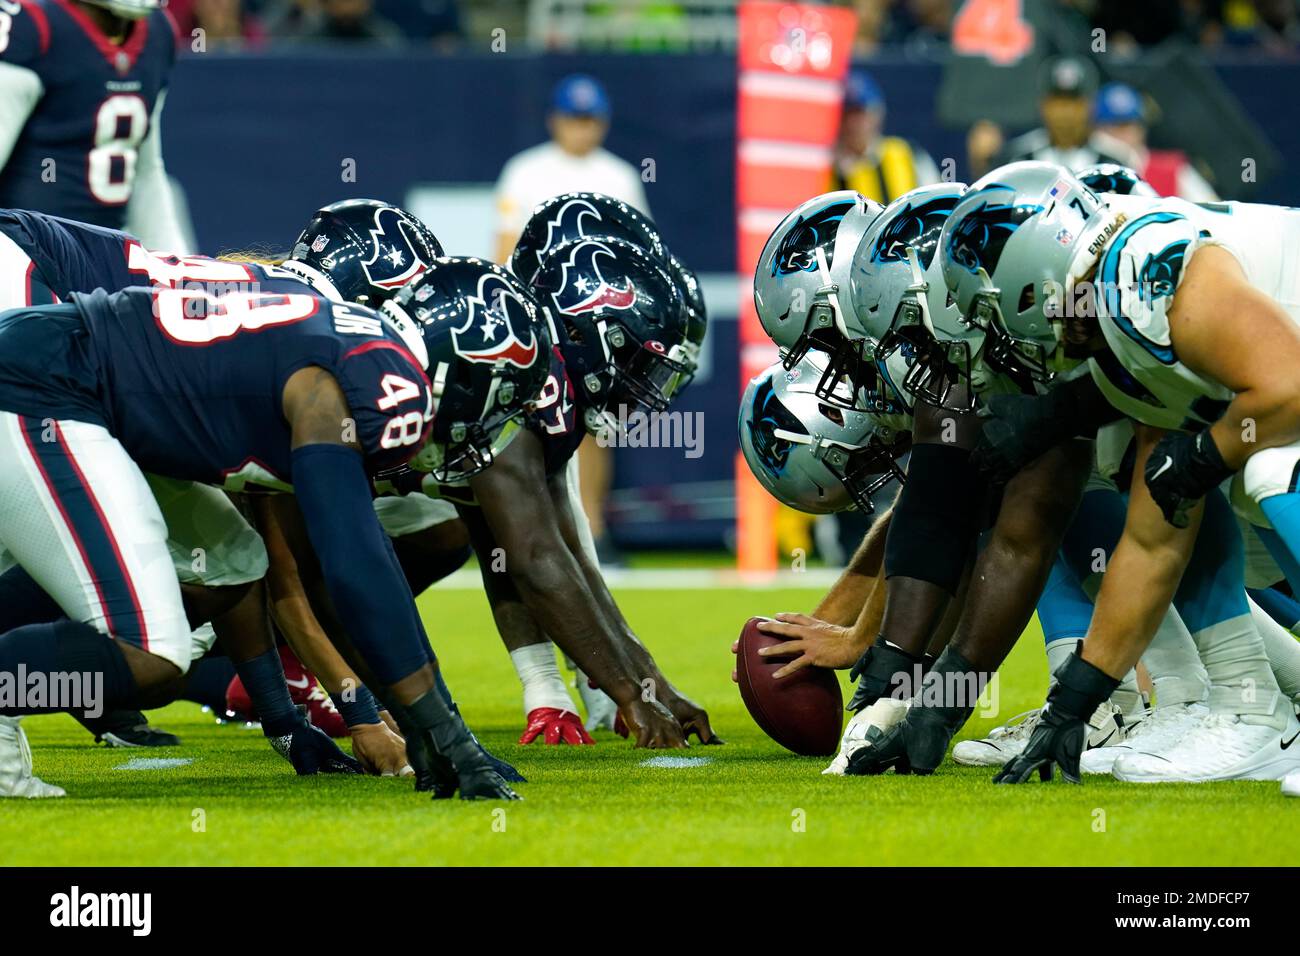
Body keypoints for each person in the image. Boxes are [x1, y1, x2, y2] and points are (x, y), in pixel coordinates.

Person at [932, 161, 1300, 787]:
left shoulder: (1142, 268)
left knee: (1266, 466)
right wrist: (1072, 703)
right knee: (1175, 477)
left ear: (1035, 279)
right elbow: (1156, 541)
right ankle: (1265, 707)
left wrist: (1208, 455)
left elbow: (1291, 387)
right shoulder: (1118, 311)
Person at [494, 75, 650, 562]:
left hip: (599, 323)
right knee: (530, 424)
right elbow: (505, 246)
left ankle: (594, 532)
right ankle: (526, 533)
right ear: (555, 120)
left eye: (589, 120)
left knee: (598, 424)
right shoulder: (525, 171)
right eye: (573, 119)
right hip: (539, 317)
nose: (581, 130)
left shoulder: (619, 176)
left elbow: (638, 254)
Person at [0, 0, 189, 252]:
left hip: (104, 262)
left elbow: (146, 173)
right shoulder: (33, 26)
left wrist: (173, 269)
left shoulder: (158, 31)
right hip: (23, 258)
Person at [995, 56, 1131, 172]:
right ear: (1043, 105)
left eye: (1074, 102)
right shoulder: (1018, 158)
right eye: (1059, 102)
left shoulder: (1114, 161)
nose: (1066, 113)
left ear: (1091, 106)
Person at [1091, 82, 1218, 201]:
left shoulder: (1173, 170)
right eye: (1112, 127)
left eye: (1127, 125)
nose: (1125, 134)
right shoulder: (1089, 167)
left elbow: (1212, 212)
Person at [832, 69, 940, 203]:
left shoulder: (909, 155)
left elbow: (936, 205)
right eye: (846, 114)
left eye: (860, 113)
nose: (853, 124)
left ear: (877, 114)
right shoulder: (823, 167)